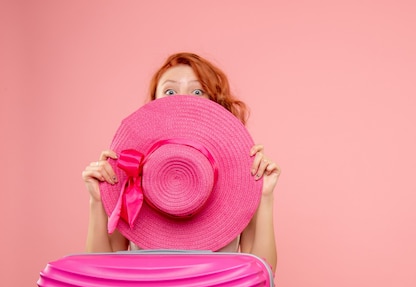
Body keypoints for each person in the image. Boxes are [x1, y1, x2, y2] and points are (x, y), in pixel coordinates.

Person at [82, 52, 280, 271]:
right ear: (155, 103)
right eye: (169, 91)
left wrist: (265, 195)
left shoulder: (241, 171)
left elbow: (263, 272)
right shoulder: (128, 168)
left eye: (197, 91)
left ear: (214, 103)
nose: (181, 98)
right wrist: (98, 200)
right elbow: (100, 269)